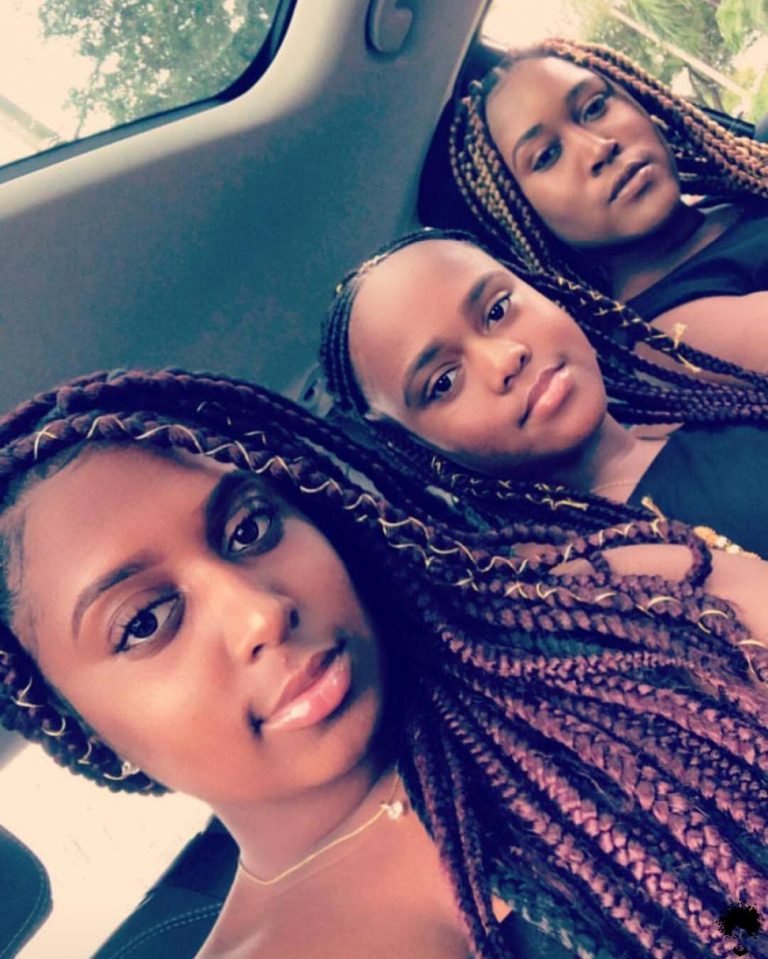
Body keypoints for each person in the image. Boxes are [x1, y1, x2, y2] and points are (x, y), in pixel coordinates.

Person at [1, 369, 768, 958]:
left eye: (249, 529)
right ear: (83, 732)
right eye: (143, 621)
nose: (259, 612)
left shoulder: (590, 607)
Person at [321, 227, 768, 556]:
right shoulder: (587, 585)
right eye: (444, 382)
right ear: (416, 446)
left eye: (498, 310)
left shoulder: (704, 403)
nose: (505, 359)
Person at [439, 38, 768, 375]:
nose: (598, 149)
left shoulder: (733, 193)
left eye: (594, 107)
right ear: (523, 212)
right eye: (547, 155)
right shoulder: (669, 337)